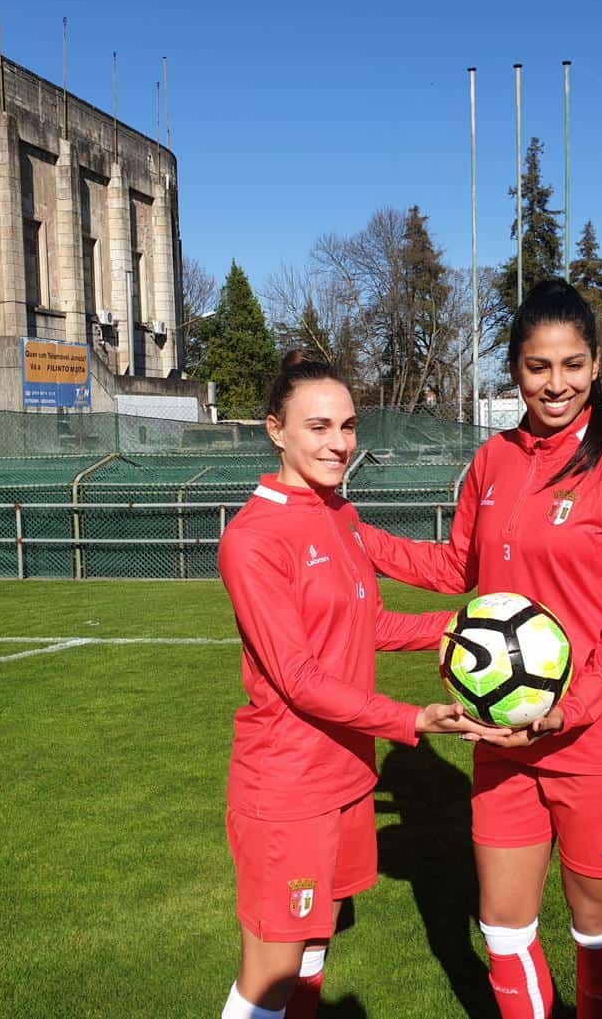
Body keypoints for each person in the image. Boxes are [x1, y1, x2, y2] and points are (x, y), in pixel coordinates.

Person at [356, 279, 602, 1018]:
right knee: (502, 927)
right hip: (501, 738)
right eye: (538, 366)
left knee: (594, 932)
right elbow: (456, 568)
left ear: (596, 366)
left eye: (571, 364)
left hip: (596, 738)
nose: (555, 384)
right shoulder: (492, 461)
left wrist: (573, 708)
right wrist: (357, 538)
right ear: (515, 369)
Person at [216, 351, 504, 1019]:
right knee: (273, 970)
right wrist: (412, 721)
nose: (340, 443)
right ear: (274, 429)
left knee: (314, 945)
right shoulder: (253, 540)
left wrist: (463, 627)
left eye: (347, 426)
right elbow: (298, 677)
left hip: (348, 773)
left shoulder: (338, 516)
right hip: (287, 785)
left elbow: (369, 621)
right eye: (318, 427)